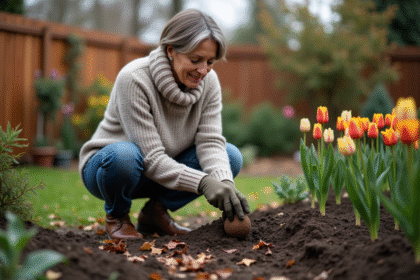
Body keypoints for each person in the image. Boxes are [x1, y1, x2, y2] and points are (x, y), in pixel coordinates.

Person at [78, 9, 250, 240]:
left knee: (230, 157)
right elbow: (151, 157)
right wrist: (204, 183)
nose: (203, 70)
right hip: (110, 169)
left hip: (160, 171)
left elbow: (210, 141)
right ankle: (117, 216)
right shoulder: (135, 79)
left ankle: (155, 213)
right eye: (195, 60)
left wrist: (224, 182)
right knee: (125, 156)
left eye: (210, 61)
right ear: (171, 50)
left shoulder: (209, 82)